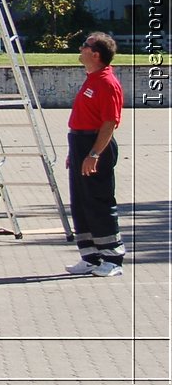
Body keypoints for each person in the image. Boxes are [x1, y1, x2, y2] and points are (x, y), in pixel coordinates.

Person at [63, 32, 124, 278]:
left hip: (95, 145)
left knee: (99, 202)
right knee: (81, 203)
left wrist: (94, 154)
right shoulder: (92, 78)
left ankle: (112, 258)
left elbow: (109, 123)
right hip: (80, 144)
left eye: (85, 46)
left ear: (95, 54)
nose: (81, 48)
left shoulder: (107, 83)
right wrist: (74, 153)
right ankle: (91, 256)